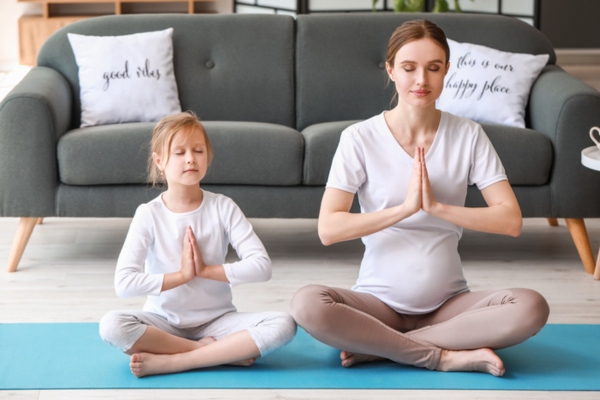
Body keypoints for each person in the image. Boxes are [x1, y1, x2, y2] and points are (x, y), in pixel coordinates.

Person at [290, 19, 549, 377]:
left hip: (449, 305)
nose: (421, 81)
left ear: (447, 71)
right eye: (409, 68)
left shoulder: (469, 135)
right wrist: (405, 209)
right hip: (376, 304)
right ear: (391, 70)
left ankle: (382, 346)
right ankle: (439, 355)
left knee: (531, 307)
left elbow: (510, 220)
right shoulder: (359, 138)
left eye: (434, 68)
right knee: (307, 304)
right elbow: (329, 229)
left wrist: (437, 208)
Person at [99, 111, 296, 377]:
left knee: (283, 324)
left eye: (198, 150)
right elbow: (124, 283)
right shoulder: (149, 214)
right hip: (164, 323)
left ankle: (176, 361)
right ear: (160, 161)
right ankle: (218, 354)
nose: (190, 158)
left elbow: (262, 267)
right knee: (112, 325)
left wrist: (205, 271)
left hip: (218, 322)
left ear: (207, 157)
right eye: (179, 152)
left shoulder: (223, 206)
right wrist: (181, 276)